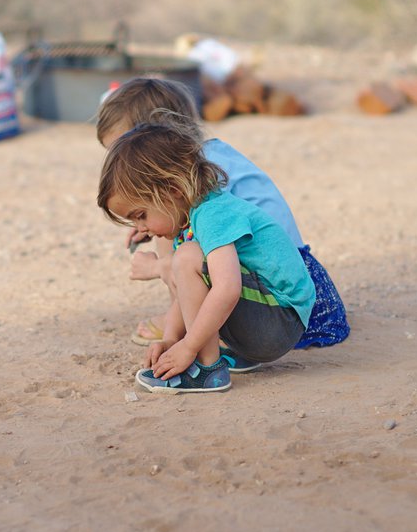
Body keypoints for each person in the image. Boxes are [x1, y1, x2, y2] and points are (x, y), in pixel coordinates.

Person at [95, 77, 348, 362]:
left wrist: (158, 268)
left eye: (126, 150)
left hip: (280, 299)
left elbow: (215, 272)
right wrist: (149, 223)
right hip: (269, 283)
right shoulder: (194, 174)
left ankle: (203, 357)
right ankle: (187, 331)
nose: (117, 163)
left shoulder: (209, 190)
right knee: (175, 238)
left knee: (183, 252)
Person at [98, 123, 316, 393]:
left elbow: (226, 288)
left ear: (173, 190)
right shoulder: (192, 216)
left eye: (141, 214)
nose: (140, 228)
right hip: (272, 318)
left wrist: (189, 347)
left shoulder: (212, 214)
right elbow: (191, 291)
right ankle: (230, 357)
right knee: (187, 260)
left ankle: (208, 369)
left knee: (187, 257)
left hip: (279, 320)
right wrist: (171, 339)